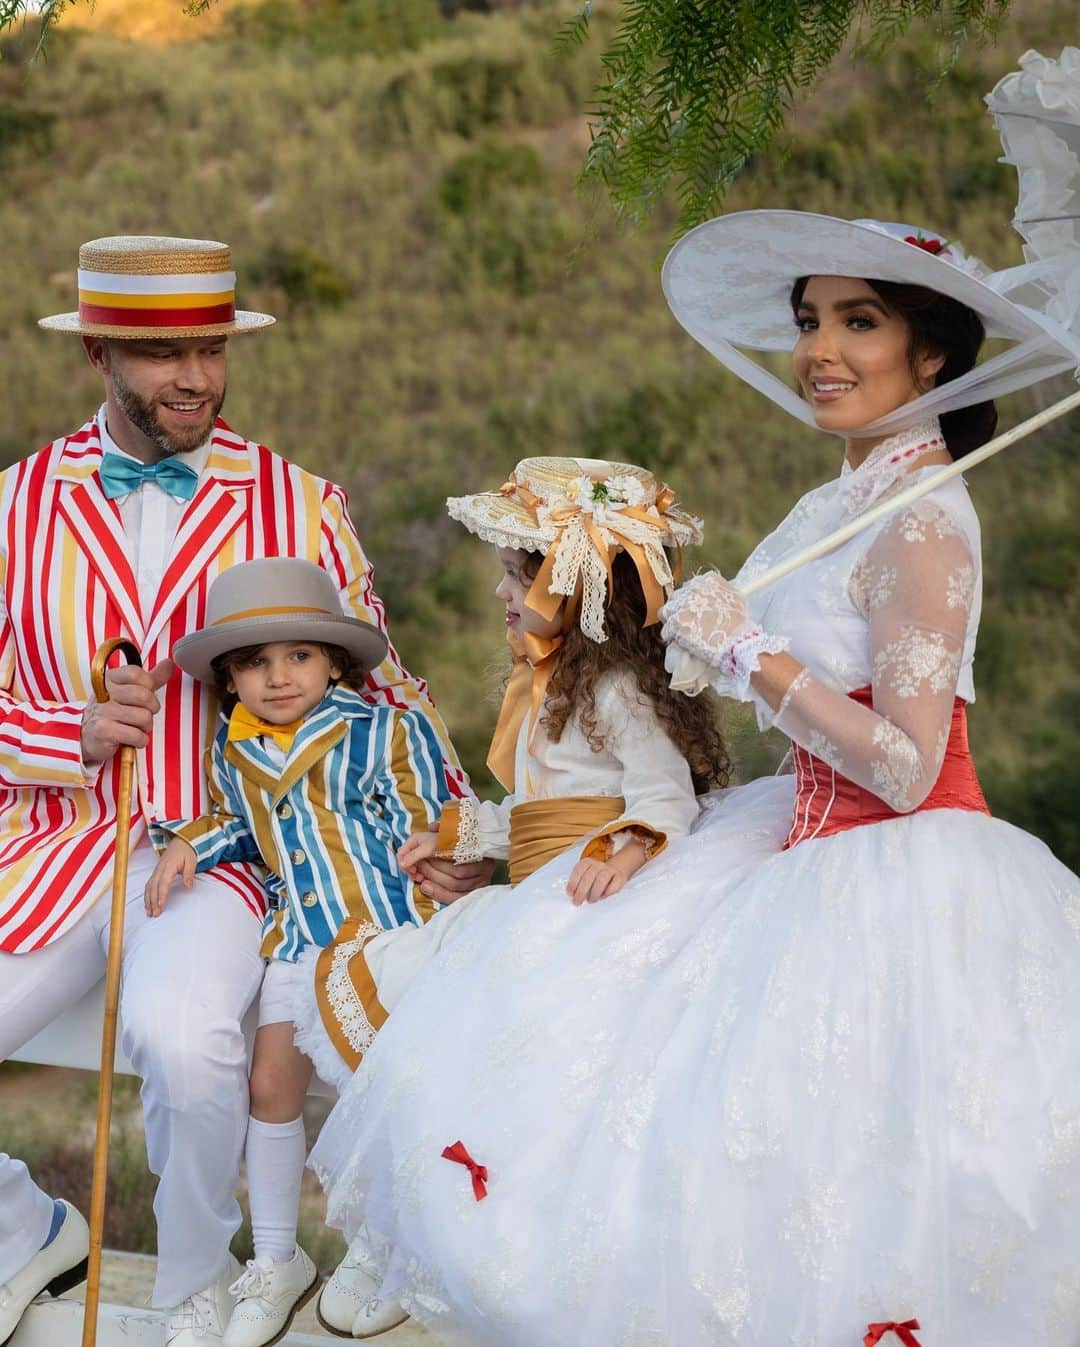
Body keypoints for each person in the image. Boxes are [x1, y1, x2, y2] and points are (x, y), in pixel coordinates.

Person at [308, 54, 1080, 1347]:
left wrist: (754, 655)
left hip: (896, 881)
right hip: (790, 842)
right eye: (812, 317)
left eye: (859, 323)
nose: (819, 349)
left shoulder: (926, 524)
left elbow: (902, 763)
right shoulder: (851, 496)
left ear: (931, 349)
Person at [0, 234, 486, 1347]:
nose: (198, 379)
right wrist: (60, 730)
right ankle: (25, 1231)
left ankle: (191, 1283)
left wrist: (445, 828)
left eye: (212, 348)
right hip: (46, 849)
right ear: (97, 354)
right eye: (165, 355)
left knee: (184, 1037)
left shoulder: (301, 502)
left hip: (222, 854)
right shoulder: (15, 504)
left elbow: (390, 686)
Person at [145, 556, 456, 1347]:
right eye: (255, 662)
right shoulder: (236, 749)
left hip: (383, 931)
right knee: (269, 1081)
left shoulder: (382, 727)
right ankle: (276, 1258)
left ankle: (383, 1248)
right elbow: (243, 827)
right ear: (230, 677)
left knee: (380, 1087)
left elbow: (429, 811)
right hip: (298, 939)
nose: (278, 677)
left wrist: (442, 849)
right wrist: (191, 843)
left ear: (333, 662)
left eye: (298, 656)